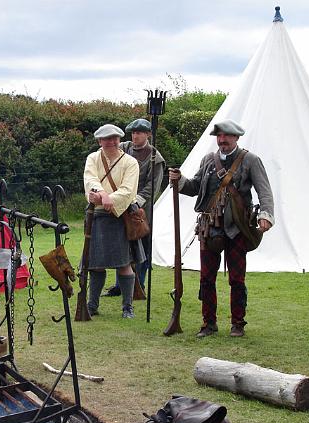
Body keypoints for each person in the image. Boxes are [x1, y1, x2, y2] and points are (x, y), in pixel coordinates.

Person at [169, 120, 274, 337]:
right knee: (206, 278)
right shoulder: (209, 159)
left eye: (226, 136)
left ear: (236, 137)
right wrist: (179, 181)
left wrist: (266, 214)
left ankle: (238, 323)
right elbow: (195, 187)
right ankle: (209, 324)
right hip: (209, 228)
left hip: (237, 228)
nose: (222, 140)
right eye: (219, 136)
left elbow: (265, 191)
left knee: (237, 279)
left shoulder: (250, 160)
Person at [83, 124, 145, 318]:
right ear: (99, 141)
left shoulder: (130, 162)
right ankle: (92, 305)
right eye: (106, 139)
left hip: (121, 216)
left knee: (124, 263)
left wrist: (107, 199)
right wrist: (102, 194)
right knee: (95, 264)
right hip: (97, 216)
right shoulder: (93, 158)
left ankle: (127, 307)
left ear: (119, 140)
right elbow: (90, 179)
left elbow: (128, 190)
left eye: (114, 138)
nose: (110, 142)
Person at [103, 118, 165, 296]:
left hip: (140, 209)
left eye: (139, 132)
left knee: (142, 245)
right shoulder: (124, 147)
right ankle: (119, 285)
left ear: (148, 134)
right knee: (120, 243)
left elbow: (153, 186)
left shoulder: (155, 158)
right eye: (133, 132)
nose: (135, 136)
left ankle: (140, 284)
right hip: (120, 204)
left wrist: (135, 201)